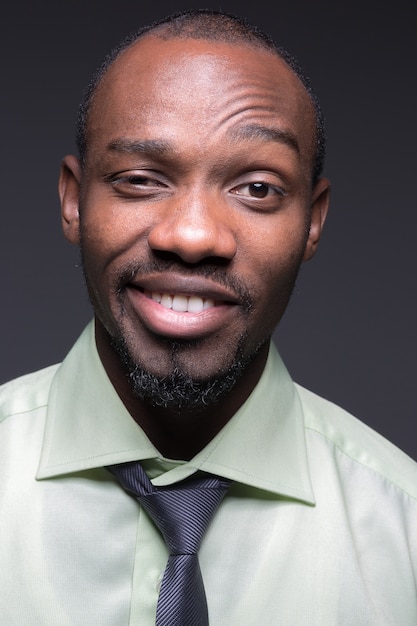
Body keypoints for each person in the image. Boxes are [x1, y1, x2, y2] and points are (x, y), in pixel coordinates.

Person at [1, 9, 416, 625]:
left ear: (314, 220)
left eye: (257, 188)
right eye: (141, 179)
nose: (193, 236)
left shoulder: (405, 530)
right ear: (73, 199)